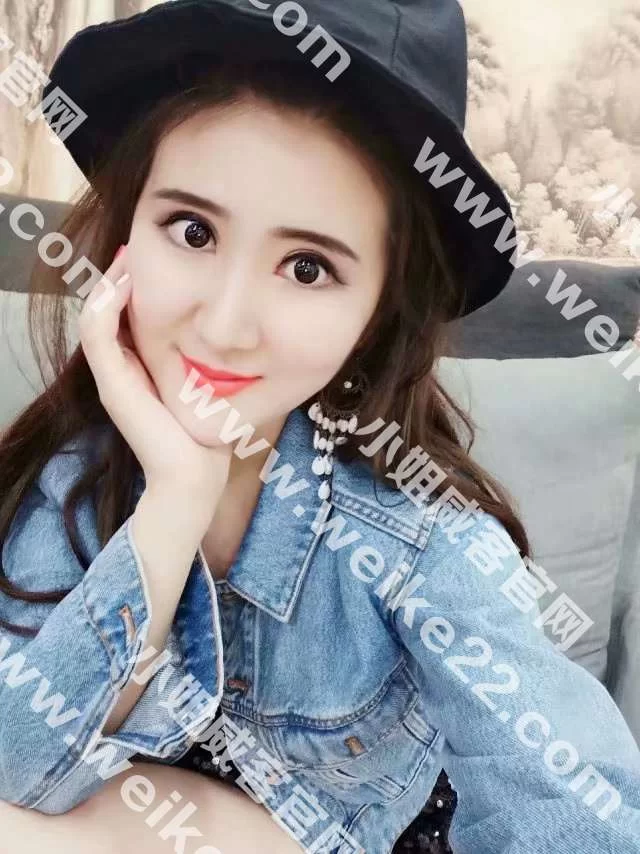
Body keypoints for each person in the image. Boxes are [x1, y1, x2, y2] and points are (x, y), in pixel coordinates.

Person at [0, 2, 639, 852]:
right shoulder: (80, 475)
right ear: (126, 237)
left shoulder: (423, 547)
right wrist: (175, 503)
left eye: (307, 268)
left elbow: (581, 821)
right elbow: (17, 769)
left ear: (375, 315)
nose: (225, 324)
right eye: (192, 230)